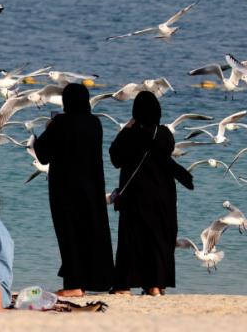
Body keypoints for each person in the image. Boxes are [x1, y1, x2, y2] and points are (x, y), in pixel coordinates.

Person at [33, 83, 113, 297]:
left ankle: (74, 285)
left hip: (65, 189)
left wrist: (49, 128)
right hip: (92, 188)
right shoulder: (95, 123)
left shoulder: (60, 123)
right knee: (89, 233)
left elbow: (42, 154)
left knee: (69, 235)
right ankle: (91, 281)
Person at [109, 91, 190, 296]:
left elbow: (115, 158)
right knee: (159, 239)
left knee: (131, 240)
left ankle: (124, 286)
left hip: (135, 196)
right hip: (163, 195)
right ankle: (155, 285)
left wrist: (128, 126)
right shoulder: (164, 134)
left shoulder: (130, 134)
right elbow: (167, 150)